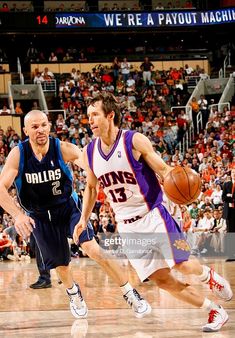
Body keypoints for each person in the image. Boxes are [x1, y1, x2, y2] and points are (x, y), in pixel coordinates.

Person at [73, 93, 233, 332]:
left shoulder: (134, 141)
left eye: (95, 114)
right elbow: (92, 188)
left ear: (110, 115)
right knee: (162, 280)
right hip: (127, 227)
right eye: (88, 116)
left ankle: (208, 277)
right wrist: (83, 219)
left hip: (155, 216)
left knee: (183, 264)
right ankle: (214, 310)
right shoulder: (89, 152)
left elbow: (164, 169)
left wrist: (182, 188)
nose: (90, 120)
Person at [0, 110, 151, 319]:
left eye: (44, 125)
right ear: (25, 131)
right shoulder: (19, 154)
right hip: (39, 216)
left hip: (68, 208)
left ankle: (129, 291)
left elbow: (93, 165)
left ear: (49, 126)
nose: (40, 130)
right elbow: (1, 188)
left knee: (92, 248)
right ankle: (73, 292)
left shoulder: (62, 148)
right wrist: (17, 215)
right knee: (61, 265)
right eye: (34, 127)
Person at [222, 169, 235, 261]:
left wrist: (231, 198)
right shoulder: (227, 184)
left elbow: (230, 197)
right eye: (233, 172)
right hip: (229, 212)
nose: (234, 174)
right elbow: (223, 197)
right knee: (230, 233)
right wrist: (230, 198)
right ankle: (231, 255)